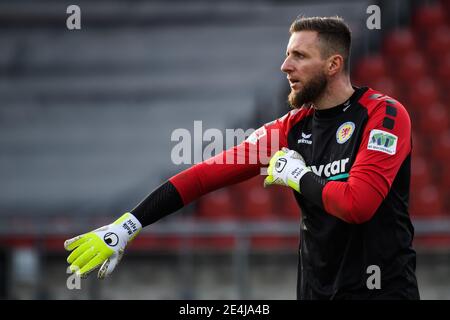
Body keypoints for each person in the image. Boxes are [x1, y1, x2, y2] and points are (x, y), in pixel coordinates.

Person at [64, 16, 420, 300]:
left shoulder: (383, 115)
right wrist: (127, 226)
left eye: (299, 56)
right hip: (315, 292)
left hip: (382, 291)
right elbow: (204, 176)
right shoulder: (290, 128)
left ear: (333, 64)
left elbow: (359, 205)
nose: (285, 66)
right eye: (286, 54)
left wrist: (300, 177)